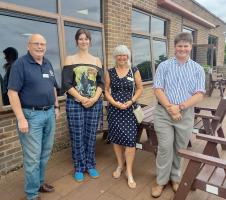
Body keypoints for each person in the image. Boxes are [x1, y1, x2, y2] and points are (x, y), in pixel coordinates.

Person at [151, 32, 205, 197]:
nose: (182, 48)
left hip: (185, 114)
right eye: (179, 45)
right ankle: (161, 181)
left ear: (190, 47)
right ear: (175, 47)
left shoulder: (197, 69)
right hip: (163, 113)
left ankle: (175, 178)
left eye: (186, 45)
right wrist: (170, 108)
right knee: (165, 148)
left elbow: (199, 94)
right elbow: (157, 88)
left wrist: (179, 107)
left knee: (179, 148)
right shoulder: (164, 65)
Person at [7, 34, 60, 200]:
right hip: (30, 116)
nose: (40, 47)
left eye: (43, 44)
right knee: (32, 157)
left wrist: (56, 106)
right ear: (28, 46)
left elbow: (52, 87)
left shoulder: (47, 63)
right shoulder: (20, 64)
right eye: (36, 44)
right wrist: (21, 118)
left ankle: (39, 183)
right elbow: (12, 92)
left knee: (45, 153)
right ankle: (31, 194)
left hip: (49, 113)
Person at [62, 28, 104, 182]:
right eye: (80, 39)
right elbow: (66, 83)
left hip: (95, 103)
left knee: (91, 134)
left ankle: (90, 165)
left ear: (90, 41)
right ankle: (79, 166)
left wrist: (94, 98)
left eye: (86, 39)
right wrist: (81, 98)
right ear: (76, 41)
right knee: (77, 135)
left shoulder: (96, 60)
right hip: (75, 103)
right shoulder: (70, 59)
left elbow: (101, 82)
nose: (83, 41)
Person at [105, 45, 143, 189]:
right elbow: (106, 90)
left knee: (130, 141)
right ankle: (120, 165)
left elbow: (140, 88)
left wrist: (131, 101)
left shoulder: (134, 71)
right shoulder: (110, 72)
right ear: (115, 57)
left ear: (128, 56)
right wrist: (113, 102)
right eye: (119, 55)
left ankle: (129, 172)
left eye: (124, 55)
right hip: (115, 110)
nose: (122, 58)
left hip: (129, 110)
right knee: (116, 139)